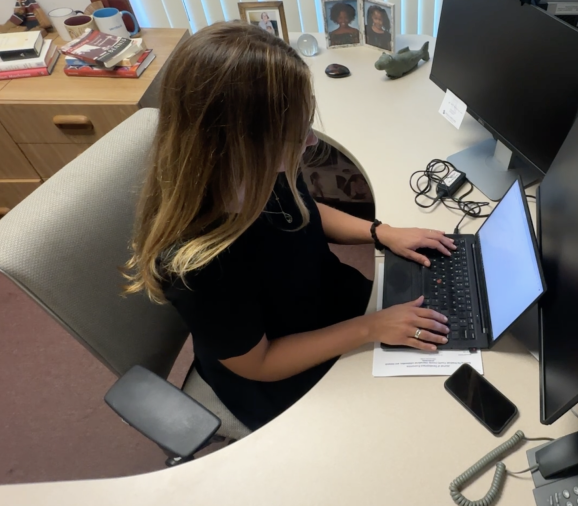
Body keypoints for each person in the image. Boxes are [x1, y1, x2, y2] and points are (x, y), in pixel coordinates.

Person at [123, 22, 454, 431]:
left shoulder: (256, 170)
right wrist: (369, 327)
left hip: (328, 308)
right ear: (242, 144)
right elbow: (259, 363)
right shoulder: (197, 262)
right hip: (280, 367)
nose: (312, 142)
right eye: (298, 134)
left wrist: (379, 232)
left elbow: (304, 208)